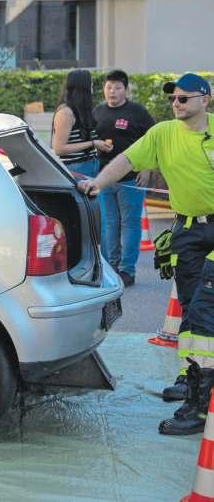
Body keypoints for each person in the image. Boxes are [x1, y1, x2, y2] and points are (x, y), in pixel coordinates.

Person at [78, 73, 214, 436]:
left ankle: (200, 406)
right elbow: (125, 160)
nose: (176, 103)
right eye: (173, 98)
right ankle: (192, 379)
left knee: (204, 313)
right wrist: (97, 182)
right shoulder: (163, 133)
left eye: (184, 98)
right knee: (191, 308)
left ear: (205, 100)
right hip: (187, 231)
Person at [92, 70, 155, 287]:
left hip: (131, 179)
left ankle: (128, 270)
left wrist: (146, 168)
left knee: (130, 224)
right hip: (104, 179)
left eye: (118, 87)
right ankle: (111, 267)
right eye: (109, 87)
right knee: (109, 224)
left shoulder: (138, 112)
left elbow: (153, 141)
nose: (112, 91)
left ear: (126, 89)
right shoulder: (98, 112)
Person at [51, 69, 109, 177]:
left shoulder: (82, 110)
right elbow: (59, 149)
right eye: (91, 85)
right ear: (84, 88)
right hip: (76, 168)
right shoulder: (66, 112)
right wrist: (93, 143)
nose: (92, 89)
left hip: (90, 165)